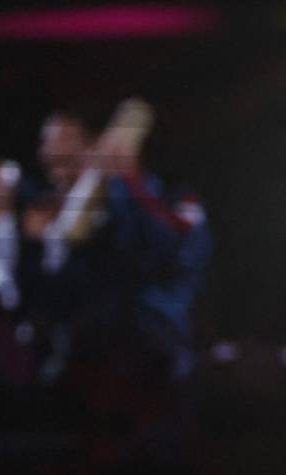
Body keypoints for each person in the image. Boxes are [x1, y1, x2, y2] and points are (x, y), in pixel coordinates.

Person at [20, 101, 211, 379]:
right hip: (81, 352)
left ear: (93, 147)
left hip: (150, 343)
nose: (51, 152)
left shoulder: (160, 195)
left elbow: (167, 256)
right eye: (46, 144)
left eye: (64, 142)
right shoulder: (45, 209)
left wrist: (129, 183)